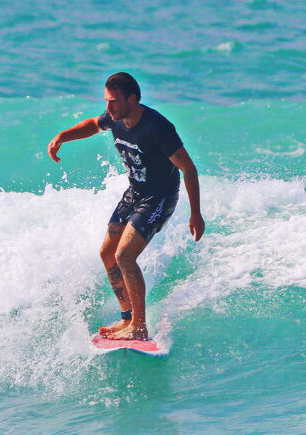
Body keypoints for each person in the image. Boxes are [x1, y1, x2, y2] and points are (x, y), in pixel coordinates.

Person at [48, 72, 203, 341]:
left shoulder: (157, 127)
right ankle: (128, 319)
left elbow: (188, 169)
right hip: (134, 193)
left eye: (114, 101)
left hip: (159, 197)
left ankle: (140, 328)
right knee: (107, 253)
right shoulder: (116, 117)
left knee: (125, 256)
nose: (108, 107)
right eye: (107, 101)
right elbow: (93, 124)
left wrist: (196, 213)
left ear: (132, 99)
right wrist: (63, 136)